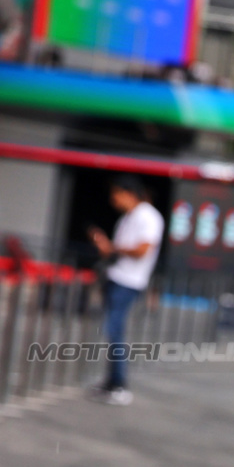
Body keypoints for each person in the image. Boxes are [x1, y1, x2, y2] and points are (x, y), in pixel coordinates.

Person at [87, 174, 164, 405]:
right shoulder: (127, 218)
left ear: (128, 192)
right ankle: (112, 382)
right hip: (116, 278)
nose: (113, 199)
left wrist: (114, 248)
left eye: (116, 193)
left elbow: (142, 250)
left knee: (116, 332)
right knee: (113, 332)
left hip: (129, 282)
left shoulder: (148, 217)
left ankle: (119, 385)